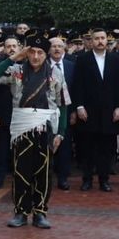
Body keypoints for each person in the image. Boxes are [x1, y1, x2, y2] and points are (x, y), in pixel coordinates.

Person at [0, 30, 68, 229]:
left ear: (46, 54)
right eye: (32, 52)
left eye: (40, 52)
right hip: (21, 128)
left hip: (46, 127)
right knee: (21, 170)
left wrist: (61, 133)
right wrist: (14, 57)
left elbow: (63, 104)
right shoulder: (16, 70)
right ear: (27, 52)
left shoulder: (55, 73)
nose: (36, 56)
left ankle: (40, 212)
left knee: (44, 172)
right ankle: (21, 212)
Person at [73, 28, 119, 192]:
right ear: (91, 41)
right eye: (97, 38)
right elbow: (77, 85)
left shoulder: (116, 60)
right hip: (88, 112)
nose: (100, 41)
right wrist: (79, 106)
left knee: (106, 149)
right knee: (88, 148)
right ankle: (87, 179)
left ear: (106, 40)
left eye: (103, 38)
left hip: (110, 112)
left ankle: (104, 180)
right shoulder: (83, 60)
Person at [47, 36, 75, 191]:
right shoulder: (43, 65)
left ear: (64, 48)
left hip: (66, 112)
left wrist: (74, 111)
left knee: (64, 145)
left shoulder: (71, 66)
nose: (57, 49)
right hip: (46, 113)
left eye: (59, 46)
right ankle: (46, 177)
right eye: (53, 46)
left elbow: (76, 89)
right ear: (49, 49)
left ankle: (62, 178)